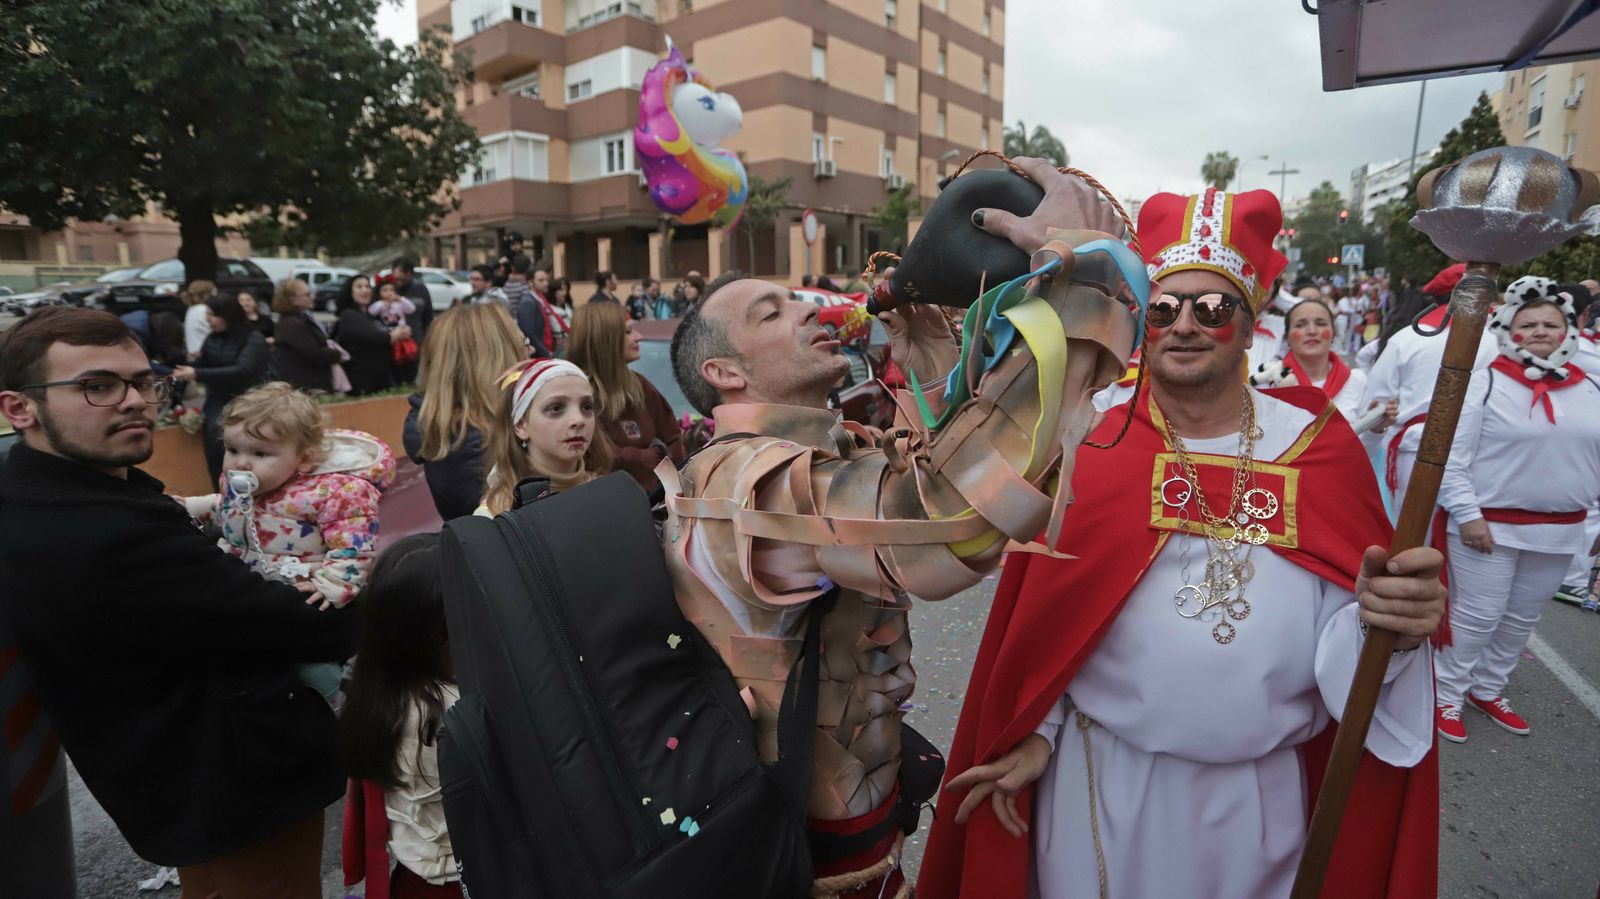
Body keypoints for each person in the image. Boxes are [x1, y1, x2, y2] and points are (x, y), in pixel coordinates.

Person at [920, 189, 1444, 899]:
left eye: (1213, 308)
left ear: (1251, 323)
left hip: (1258, 803)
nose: (1186, 325)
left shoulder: (1318, 450)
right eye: (1165, 309)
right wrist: (1038, 728)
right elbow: (1045, 620)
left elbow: (1346, 641)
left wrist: (1394, 627)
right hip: (1102, 785)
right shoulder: (1093, 438)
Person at [659, 157, 1142, 894]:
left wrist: (932, 357)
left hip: (858, 843)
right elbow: (947, 527)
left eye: (798, 297)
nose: (811, 310)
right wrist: (1076, 287)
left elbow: (925, 469)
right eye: (771, 312)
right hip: (793, 863)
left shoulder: (814, 450)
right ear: (725, 372)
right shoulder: (737, 477)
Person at [0, 307, 356, 897]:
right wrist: (397, 583)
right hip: (232, 786)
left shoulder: (55, 495)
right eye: (97, 386)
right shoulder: (103, 534)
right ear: (20, 408)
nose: (136, 400)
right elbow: (298, 626)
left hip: (181, 786)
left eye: (144, 381)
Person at [1433, 277, 1600, 742]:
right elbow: (1449, 457)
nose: (1543, 331)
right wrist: (1468, 515)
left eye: (1553, 323)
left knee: (1522, 619)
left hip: (1562, 531)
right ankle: (1446, 693)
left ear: (1570, 332)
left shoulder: (1592, 388)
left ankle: (1488, 688)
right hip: (1487, 529)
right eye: (1529, 324)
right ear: (1508, 329)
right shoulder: (1481, 384)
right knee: (1477, 617)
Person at [177, 381, 393, 698]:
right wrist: (194, 507)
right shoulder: (242, 485)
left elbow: (355, 547)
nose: (240, 463)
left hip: (304, 598)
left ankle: (338, 699)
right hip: (255, 592)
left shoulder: (334, 494)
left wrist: (332, 584)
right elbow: (229, 511)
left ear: (303, 460)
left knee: (310, 669)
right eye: (233, 449)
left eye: (260, 453)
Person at [338, 534, 465, 899]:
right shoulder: (446, 712)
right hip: (464, 880)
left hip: (414, 877)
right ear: (442, 635)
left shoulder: (378, 690)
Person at [1360, 262, 1498, 516]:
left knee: (1412, 537)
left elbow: (1376, 403)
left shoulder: (1406, 339)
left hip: (1416, 450)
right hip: (1482, 452)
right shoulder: (1502, 339)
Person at [403, 304, 527, 521]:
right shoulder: (478, 442)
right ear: (498, 359)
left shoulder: (450, 429)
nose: (529, 351)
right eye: (522, 344)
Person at [565, 300, 684, 488]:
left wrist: (674, 486)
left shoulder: (639, 385)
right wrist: (639, 456)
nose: (639, 337)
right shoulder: (574, 394)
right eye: (628, 332)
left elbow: (673, 439)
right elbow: (590, 456)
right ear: (604, 338)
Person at [477, 359, 612, 516]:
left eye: (587, 407)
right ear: (520, 425)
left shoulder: (609, 491)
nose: (579, 420)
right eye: (556, 408)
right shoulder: (496, 514)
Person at [171, 294, 270, 482]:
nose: (208, 319)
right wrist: (186, 367)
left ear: (228, 315)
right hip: (218, 397)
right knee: (213, 436)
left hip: (248, 400)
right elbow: (202, 364)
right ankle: (220, 487)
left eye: (213, 314)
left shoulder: (253, 338)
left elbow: (243, 370)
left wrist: (197, 374)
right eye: (207, 314)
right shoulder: (212, 338)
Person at [272, 277, 345, 393]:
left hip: (310, 381)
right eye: (306, 295)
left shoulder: (301, 318)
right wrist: (336, 354)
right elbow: (312, 353)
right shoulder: (291, 324)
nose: (312, 297)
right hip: (305, 385)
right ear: (293, 299)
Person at [336, 275, 406, 395]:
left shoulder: (371, 314)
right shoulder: (349, 315)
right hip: (362, 383)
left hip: (380, 380)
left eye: (367, 286)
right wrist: (396, 334)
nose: (365, 290)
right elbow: (374, 336)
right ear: (350, 291)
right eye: (359, 287)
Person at [390, 257, 435, 345]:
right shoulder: (389, 289)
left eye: (401, 279)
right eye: (396, 279)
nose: (398, 283)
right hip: (393, 343)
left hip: (416, 343)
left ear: (409, 274)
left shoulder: (421, 290)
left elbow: (428, 317)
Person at [181, 278, 218, 359]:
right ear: (207, 295)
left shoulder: (191, 309)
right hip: (204, 356)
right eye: (214, 294)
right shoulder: (205, 310)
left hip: (193, 354)